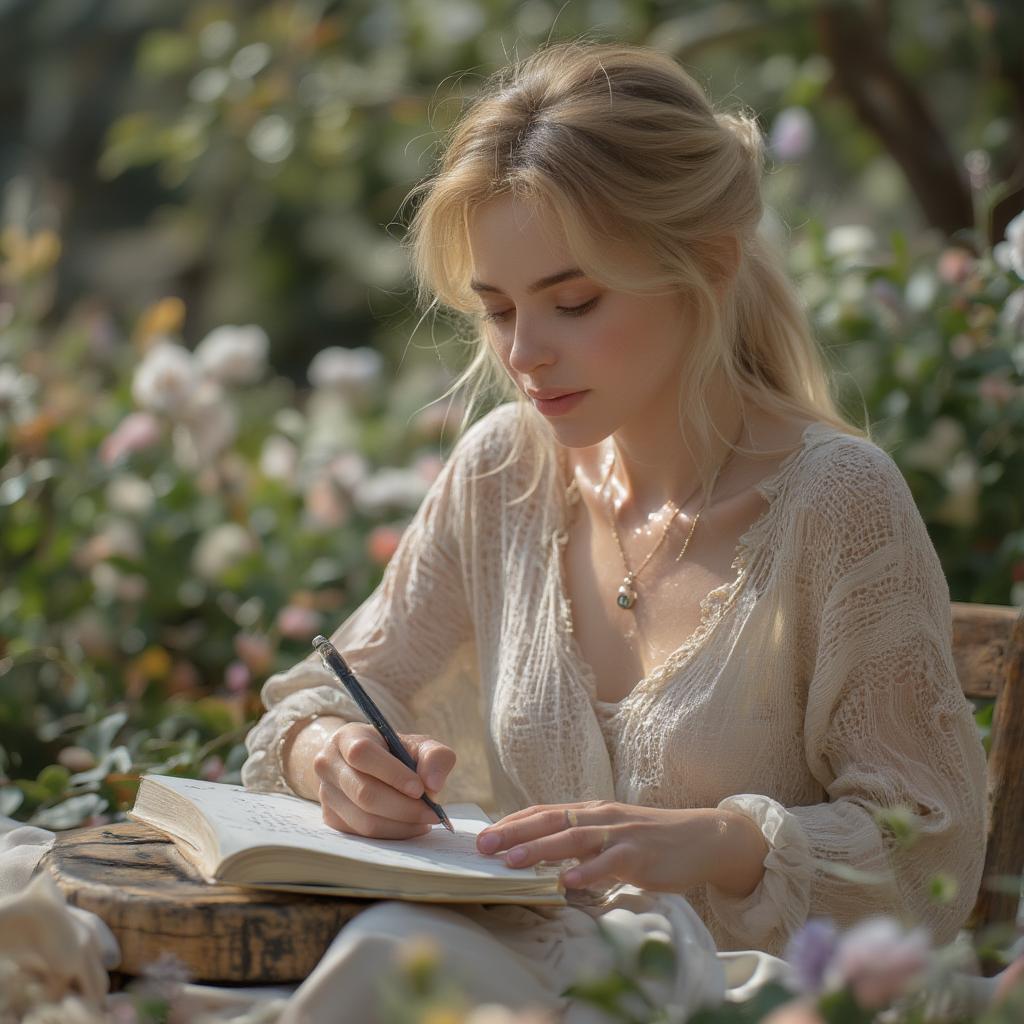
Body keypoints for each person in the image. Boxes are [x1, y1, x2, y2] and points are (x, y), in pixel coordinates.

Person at [239, 38, 988, 1022]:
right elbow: (310, 702)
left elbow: (924, 847)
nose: (522, 353)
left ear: (707, 267)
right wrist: (335, 757)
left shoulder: (836, 502)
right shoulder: (505, 471)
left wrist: (723, 841)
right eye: (496, 308)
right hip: (536, 976)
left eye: (573, 301)